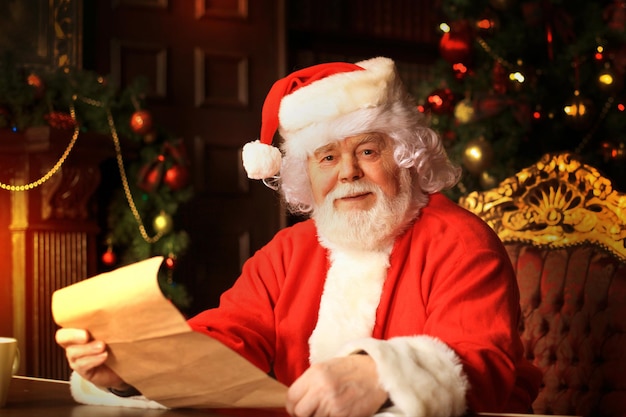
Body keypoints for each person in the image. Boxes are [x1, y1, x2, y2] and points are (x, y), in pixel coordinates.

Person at [56, 57, 541, 417]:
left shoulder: (461, 240)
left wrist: (383, 373)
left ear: (406, 156)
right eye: (327, 157)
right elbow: (229, 338)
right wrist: (134, 368)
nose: (349, 173)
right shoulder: (287, 252)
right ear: (304, 174)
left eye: (368, 150)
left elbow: (482, 366)